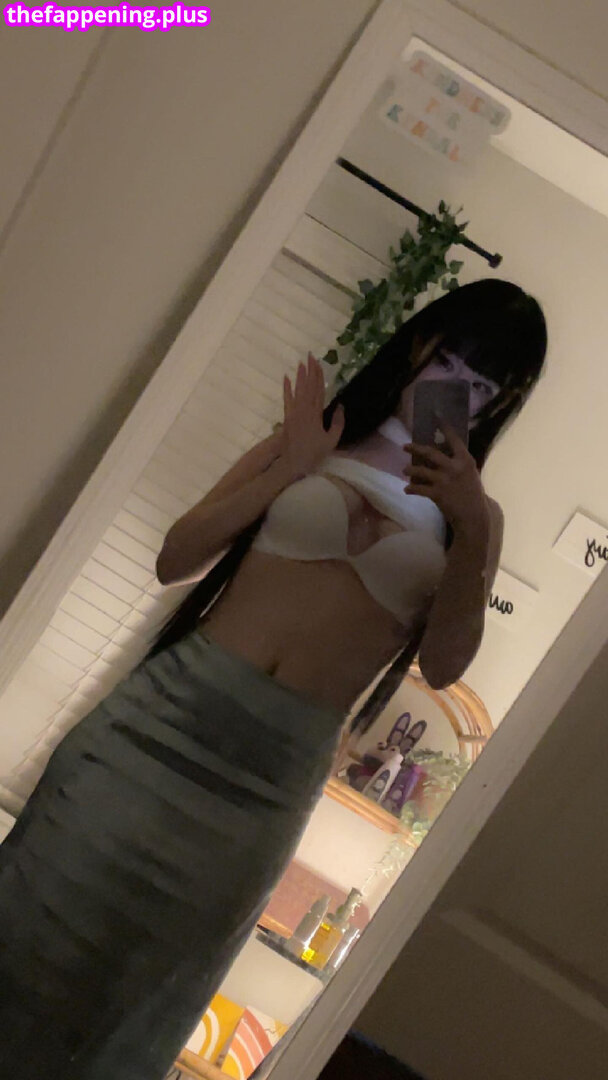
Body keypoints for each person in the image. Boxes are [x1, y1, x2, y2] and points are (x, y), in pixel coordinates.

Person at [0, 279, 547, 1079]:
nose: (458, 386)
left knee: (140, 988)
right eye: (452, 360)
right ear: (420, 344)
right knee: (31, 914)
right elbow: (177, 557)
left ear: (502, 402)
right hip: (156, 723)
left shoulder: (476, 521)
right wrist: (290, 468)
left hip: (268, 786)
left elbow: (443, 665)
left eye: (483, 382)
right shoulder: (322, 435)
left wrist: (466, 531)